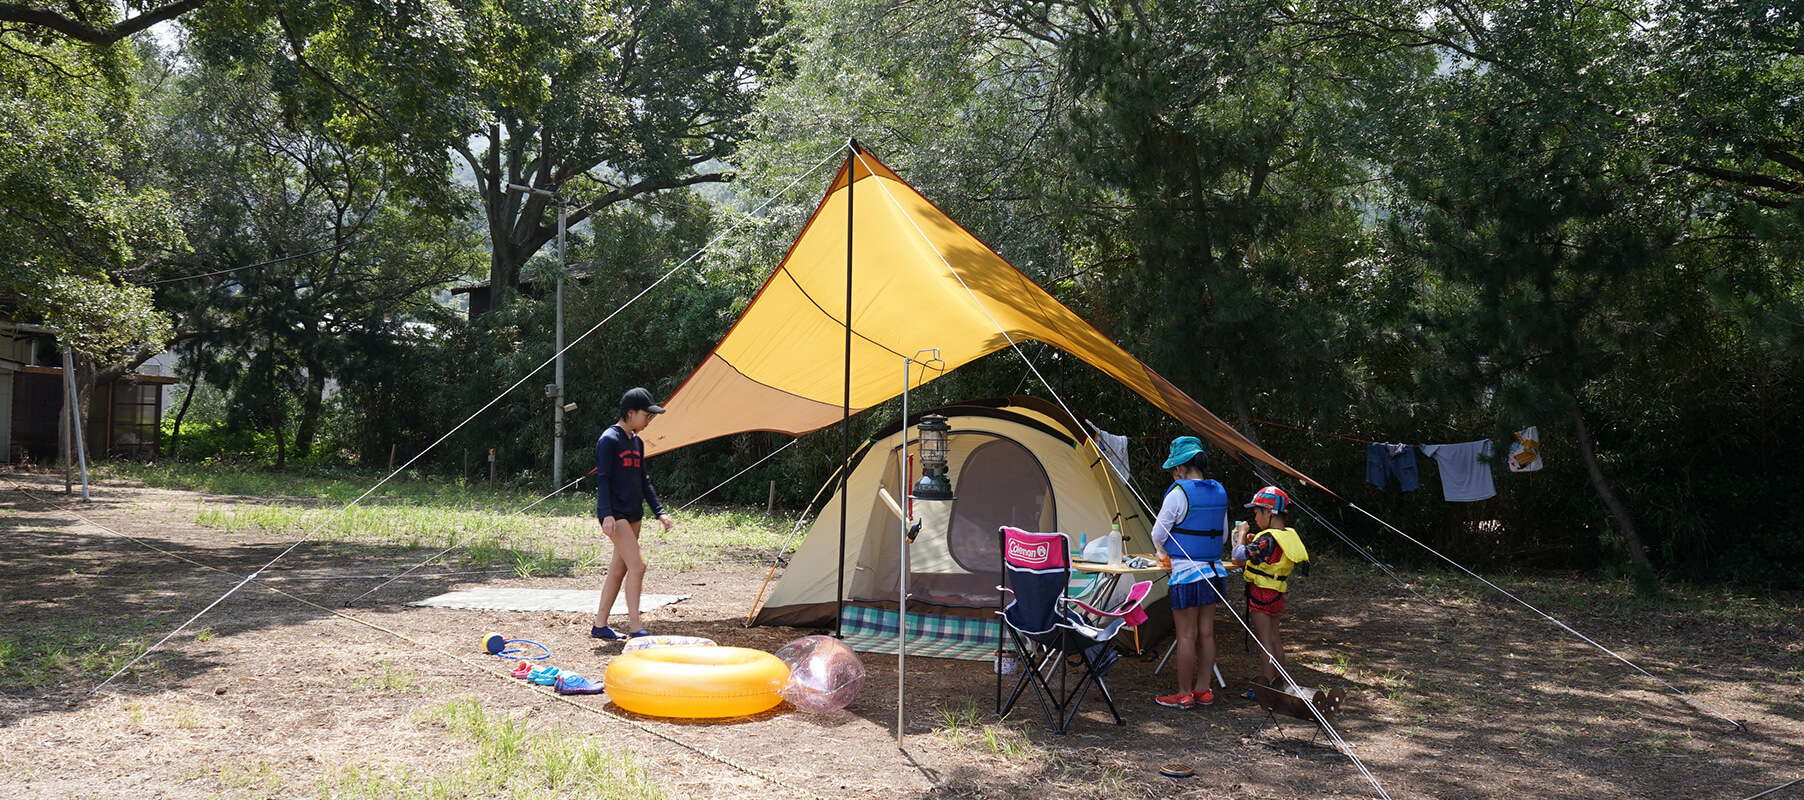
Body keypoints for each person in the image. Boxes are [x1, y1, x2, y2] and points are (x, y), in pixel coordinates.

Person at [1149, 436, 1231, 708]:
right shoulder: (1219, 490)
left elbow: (1157, 534)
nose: (1174, 474)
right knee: (1206, 633)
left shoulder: (1178, 493)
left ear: (1181, 468)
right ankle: (1203, 690)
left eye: (1174, 469)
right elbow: (1222, 538)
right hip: (1213, 573)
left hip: (1186, 575)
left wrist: (1163, 555)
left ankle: (1183, 694)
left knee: (1186, 635)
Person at [591, 387, 676, 640]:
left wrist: (659, 512)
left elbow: (644, 480)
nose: (648, 419)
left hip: (634, 513)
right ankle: (635, 626)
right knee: (638, 566)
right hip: (615, 514)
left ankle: (599, 625)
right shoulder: (609, 439)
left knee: (619, 570)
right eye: (645, 414)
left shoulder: (637, 442)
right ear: (630, 413)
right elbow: (603, 479)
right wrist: (606, 514)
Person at [1232, 485, 1309, 695]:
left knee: (1265, 642)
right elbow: (1265, 551)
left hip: (1261, 594)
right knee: (1274, 638)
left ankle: (1265, 688)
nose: (1255, 516)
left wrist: (1241, 535)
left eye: (1257, 511)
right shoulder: (1283, 535)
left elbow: (1238, 555)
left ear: (1268, 511)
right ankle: (1279, 684)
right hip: (1277, 593)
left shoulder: (1267, 539)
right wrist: (1254, 539)